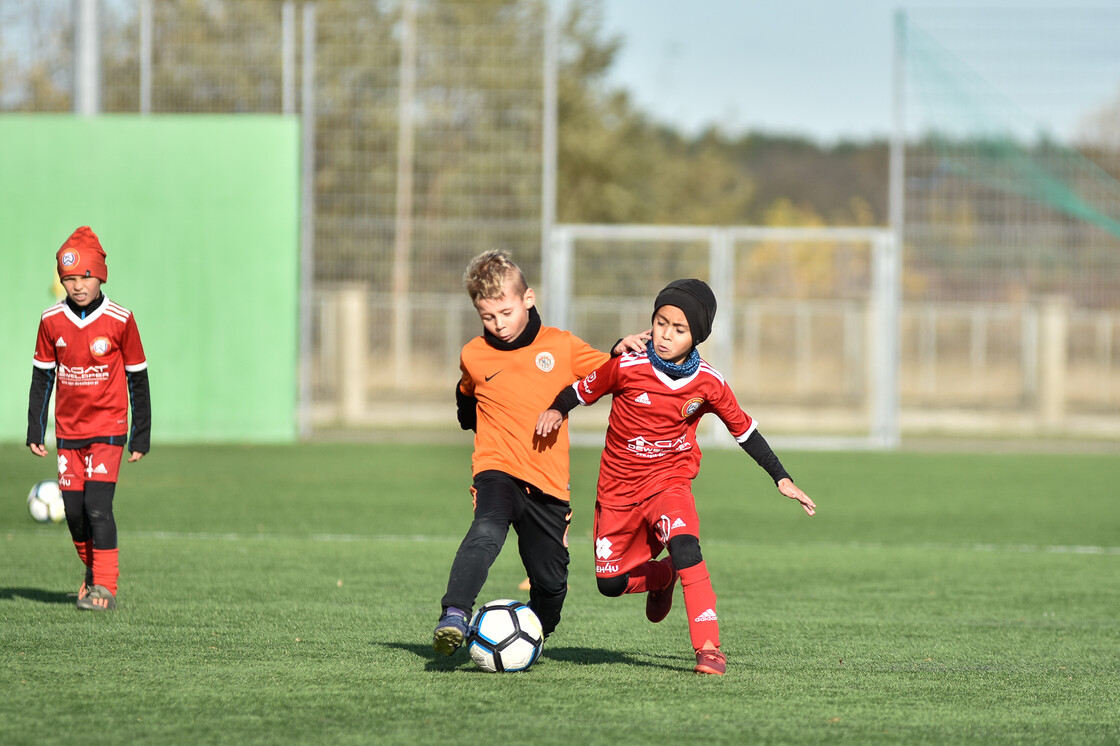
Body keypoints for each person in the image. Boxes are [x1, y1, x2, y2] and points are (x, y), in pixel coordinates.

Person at [536, 278, 816, 675]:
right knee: (610, 583)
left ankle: (709, 648)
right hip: (617, 491)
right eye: (660, 322)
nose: (665, 334)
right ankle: (662, 575)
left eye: (679, 329)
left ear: (696, 336)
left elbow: (745, 430)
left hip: (669, 482)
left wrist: (781, 477)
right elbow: (581, 390)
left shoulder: (709, 382)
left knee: (687, 548)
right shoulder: (627, 365)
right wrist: (556, 409)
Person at [433, 249, 646, 656]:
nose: (498, 325)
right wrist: (471, 419)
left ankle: (529, 635)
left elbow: (607, 373)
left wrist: (620, 347)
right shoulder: (474, 353)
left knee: (551, 586)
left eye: (505, 313)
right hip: (496, 469)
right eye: (487, 317)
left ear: (528, 299)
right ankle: (455, 615)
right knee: (486, 531)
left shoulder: (561, 347)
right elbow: (466, 391)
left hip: (548, 485)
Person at [26, 226, 151, 611]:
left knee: (98, 508)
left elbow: (138, 378)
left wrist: (140, 434)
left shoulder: (121, 319)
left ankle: (105, 590)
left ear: (101, 276)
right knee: (75, 514)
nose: (78, 285)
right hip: (68, 432)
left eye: (86, 276)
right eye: (70, 278)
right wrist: (35, 427)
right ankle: (93, 574)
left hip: (109, 429)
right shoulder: (51, 321)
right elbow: (42, 376)